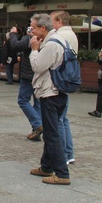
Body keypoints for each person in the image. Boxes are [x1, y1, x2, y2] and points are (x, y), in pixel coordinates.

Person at [28, 13, 71, 185]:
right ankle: (46, 166)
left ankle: (62, 173)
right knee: (50, 129)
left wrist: (34, 50)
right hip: (58, 91)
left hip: (50, 93)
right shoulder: (58, 40)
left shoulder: (52, 44)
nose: (31, 31)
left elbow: (37, 66)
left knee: (52, 134)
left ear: (42, 28)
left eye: (33, 28)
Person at [50, 11, 77, 164]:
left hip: (60, 79)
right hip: (67, 78)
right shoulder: (71, 34)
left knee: (59, 120)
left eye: (53, 21)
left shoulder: (61, 36)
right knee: (63, 119)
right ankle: (68, 153)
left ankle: (64, 154)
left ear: (59, 21)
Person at [10, 23, 43, 140]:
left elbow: (15, 45)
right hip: (40, 73)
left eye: (32, 26)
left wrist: (13, 34)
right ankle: (36, 131)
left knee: (23, 100)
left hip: (29, 74)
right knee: (38, 103)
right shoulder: (44, 38)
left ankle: (38, 124)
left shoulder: (30, 38)